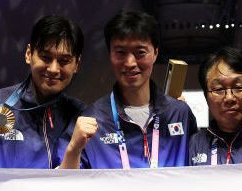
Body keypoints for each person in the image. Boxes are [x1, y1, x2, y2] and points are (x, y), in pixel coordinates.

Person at [60, 10, 196, 169]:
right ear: (110, 54)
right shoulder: (92, 120)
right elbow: (65, 185)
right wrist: (74, 149)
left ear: (155, 53)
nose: (130, 62)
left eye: (140, 53)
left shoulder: (180, 113)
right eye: (120, 53)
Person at [0, 15, 86, 168]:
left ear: (77, 64)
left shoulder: (82, 117)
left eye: (64, 61)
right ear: (28, 54)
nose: (53, 69)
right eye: (45, 57)